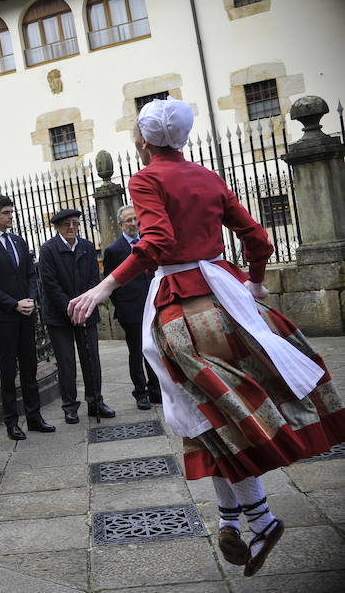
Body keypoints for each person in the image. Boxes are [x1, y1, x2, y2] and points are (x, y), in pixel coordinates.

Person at [68, 96, 345, 577]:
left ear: (143, 140)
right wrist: (254, 283)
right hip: (228, 298)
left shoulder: (146, 178)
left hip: (183, 307)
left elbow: (156, 243)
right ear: (184, 136)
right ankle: (231, 520)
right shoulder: (208, 176)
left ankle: (258, 518)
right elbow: (258, 239)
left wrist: (104, 285)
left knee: (211, 418)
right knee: (214, 416)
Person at [0, 195, 54, 440]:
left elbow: (31, 274)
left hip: (26, 314)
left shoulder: (18, 241)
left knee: (30, 368)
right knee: (8, 372)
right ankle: (11, 422)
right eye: (6, 213)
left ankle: (34, 416)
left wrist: (30, 299)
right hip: (4, 318)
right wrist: (13, 304)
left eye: (12, 212)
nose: (11, 216)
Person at [38, 208, 115, 424]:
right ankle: (69, 406)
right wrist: (71, 309)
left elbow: (93, 279)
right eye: (66, 224)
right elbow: (50, 285)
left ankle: (96, 402)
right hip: (59, 315)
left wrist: (84, 306)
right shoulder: (48, 250)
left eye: (75, 223)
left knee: (91, 360)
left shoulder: (87, 247)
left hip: (86, 312)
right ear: (57, 227)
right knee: (66, 362)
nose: (71, 227)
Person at [103, 204, 160, 410]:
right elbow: (110, 283)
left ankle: (156, 390)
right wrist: (123, 307)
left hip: (152, 306)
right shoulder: (114, 250)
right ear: (121, 224)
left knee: (153, 350)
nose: (134, 223)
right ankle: (140, 392)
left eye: (136, 219)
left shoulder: (148, 242)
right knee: (136, 353)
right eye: (129, 220)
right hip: (131, 311)